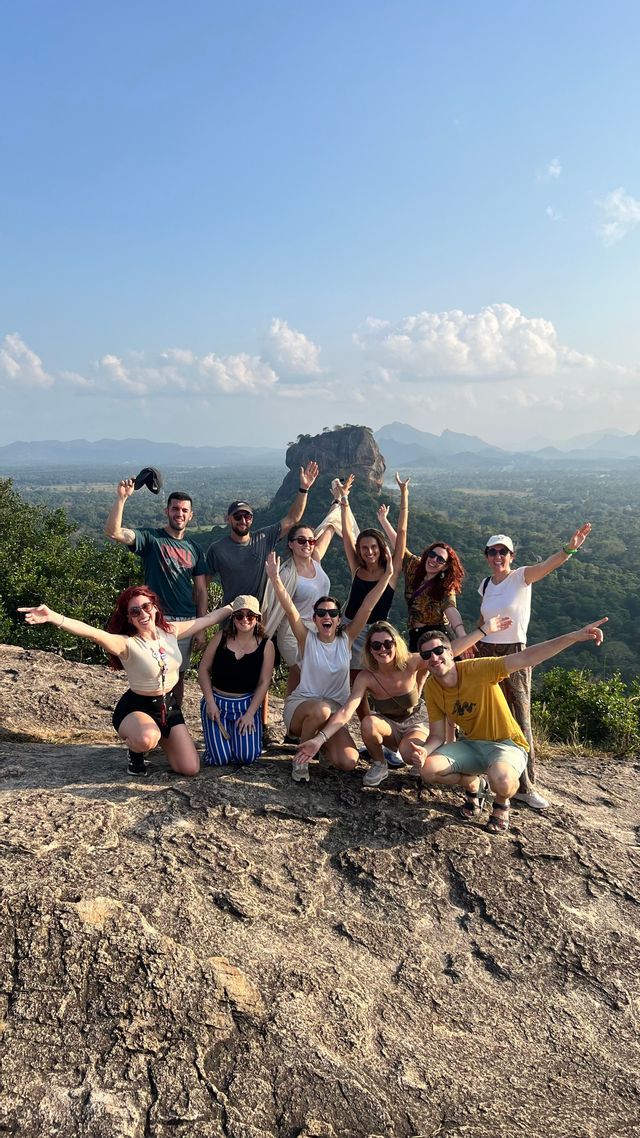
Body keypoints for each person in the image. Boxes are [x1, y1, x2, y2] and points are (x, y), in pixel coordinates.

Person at [413, 618, 606, 834]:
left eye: (439, 651)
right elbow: (437, 734)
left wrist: (572, 637)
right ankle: (473, 784)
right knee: (428, 770)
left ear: (451, 652)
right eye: (426, 655)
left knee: (502, 781)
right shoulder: (431, 686)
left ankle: (502, 803)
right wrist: (424, 751)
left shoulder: (479, 668)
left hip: (507, 744)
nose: (434, 657)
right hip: (471, 745)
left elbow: (525, 657)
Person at [19, 588, 233, 777]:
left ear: (155, 607)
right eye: (134, 611)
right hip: (137, 707)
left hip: (169, 707)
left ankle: (158, 738)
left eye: (146, 606)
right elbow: (92, 633)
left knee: (190, 768)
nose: (142, 613)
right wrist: (54, 617)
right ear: (129, 618)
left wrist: (235, 606)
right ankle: (136, 753)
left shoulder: (169, 631)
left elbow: (207, 620)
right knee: (148, 738)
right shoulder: (126, 644)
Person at [294, 614, 512, 787]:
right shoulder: (367, 676)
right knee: (368, 722)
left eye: (387, 643)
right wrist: (319, 740)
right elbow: (347, 711)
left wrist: (484, 630)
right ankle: (379, 764)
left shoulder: (410, 662)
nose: (383, 649)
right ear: (369, 649)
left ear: (395, 643)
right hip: (388, 726)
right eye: (376, 645)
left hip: (415, 723)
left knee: (411, 756)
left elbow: (448, 651)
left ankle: (469, 780)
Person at [476, 525, 592, 810]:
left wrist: (570, 547)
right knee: (490, 715)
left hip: (515, 651)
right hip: (486, 651)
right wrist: (473, 640)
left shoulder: (521, 577)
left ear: (512, 556)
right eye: (493, 552)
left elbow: (549, 565)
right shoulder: (485, 585)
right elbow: (483, 619)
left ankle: (526, 786)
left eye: (503, 552)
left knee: (520, 717)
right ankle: (488, 777)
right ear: (487, 556)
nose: (497, 556)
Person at [264, 551, 393, 782]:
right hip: (302, 710)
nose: (327, 616)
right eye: (321, 613)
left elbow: (367, 607)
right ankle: (300, 759)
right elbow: (290, 609)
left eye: (333, 613)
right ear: (314, 619)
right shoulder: (307, 639)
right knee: (320, 709)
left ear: (338, 619)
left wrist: (387, 577)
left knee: (348, 762)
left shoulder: (347, 639)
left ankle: (321, 747)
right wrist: (275, 579)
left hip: (334, 714)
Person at [104, 479, 207, 706]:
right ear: (167, 511)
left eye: (184, 510)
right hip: (154, 618)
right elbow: (114, 533)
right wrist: (121, 498)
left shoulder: (195, 549)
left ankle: (173, 719)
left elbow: (200, 590)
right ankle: (149, 717)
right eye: (175, 509)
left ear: (191, 515)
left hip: (185, 621)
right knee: (150, 672)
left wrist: (201, 627)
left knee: (177, 674)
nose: (179, 513)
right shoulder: (151, 539)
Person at [205, 462, 320, 606]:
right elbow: (203, 586)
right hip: (233, 618)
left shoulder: (263, 538)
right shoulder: (217, 549)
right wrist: (201, 621)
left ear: (252, 519)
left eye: (247, 516)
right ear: (228, 519)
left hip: (261, 617)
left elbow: (292, 519)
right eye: (237, 516)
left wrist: (304, 488)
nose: (243, 520)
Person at [377, 507, 469, 654]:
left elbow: (451, 608)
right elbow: (399, 546)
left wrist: (463, 636)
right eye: (432, 554)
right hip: (415, 634)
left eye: (440, 559)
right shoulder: (415, 566)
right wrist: (383, 520)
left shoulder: (445, 586)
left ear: (445, 567)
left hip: (437, 636)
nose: (433, 560)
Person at [198, 594, 276, 765]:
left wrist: (250, 714)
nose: (245, 620)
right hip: (217, 703)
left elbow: (264, 682)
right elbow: (203, 669)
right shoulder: (220, 638)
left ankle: (235, 740)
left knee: (246, 757)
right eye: (240, 615)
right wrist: (210, 703)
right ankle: (219, 743)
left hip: (246, 705)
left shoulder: (266, 645)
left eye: (250, 616)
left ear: (258, 618)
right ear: (233, 618)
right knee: (219, 759)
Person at [260, 520, 335, 696]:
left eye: (311, 541)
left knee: (296, 678)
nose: (307, 544)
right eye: (301, 541)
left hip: (318, 631)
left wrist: (340, 503)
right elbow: (270, 606)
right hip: (292, 634)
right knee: (312, 679)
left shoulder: (315, 560)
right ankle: (314, 718)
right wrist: (260, 637)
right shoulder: (286, 574)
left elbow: (330, 528)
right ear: (291, 544)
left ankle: (291, 719)